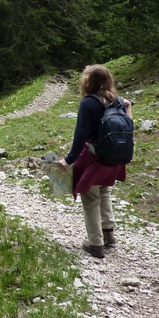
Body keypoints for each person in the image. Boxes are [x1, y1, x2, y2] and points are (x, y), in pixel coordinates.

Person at [58, 64, 132, 259]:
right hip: (114, 158)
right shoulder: (116, 100)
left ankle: (95, 243)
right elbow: (129, 126)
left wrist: (68, 160)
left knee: (90, 198)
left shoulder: (88, 103)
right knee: (104, 190)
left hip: (94, 157)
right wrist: (128, 106)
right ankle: (108, 233)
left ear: (88, 81)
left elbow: (81, 134)